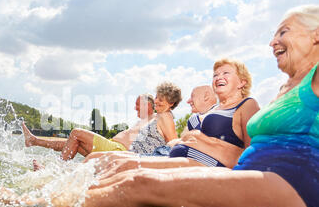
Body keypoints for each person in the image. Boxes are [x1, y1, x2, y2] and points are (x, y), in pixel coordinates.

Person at [0, 5, 319, 207]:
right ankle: (46, 193)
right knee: (123, 169)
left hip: (297, 187)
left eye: (284, 31)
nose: (273, 40)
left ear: (316, 35)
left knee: (138, 184)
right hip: (256, 177)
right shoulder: (288, 87)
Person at [88, 60, 259, 176]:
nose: (218, 77)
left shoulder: (247, 105)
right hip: (175, 156)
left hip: (201, 166)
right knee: (96, 159)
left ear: (242, 82)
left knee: (116, 165)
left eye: (225, 73)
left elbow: (251, 154)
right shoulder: (213, 110)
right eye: (215, 74)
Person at [21, 94, 156, 161]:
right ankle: (33, 141)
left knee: (76, 133)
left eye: (138, 105)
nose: (135, 108)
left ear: (148, 105)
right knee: (72, 143)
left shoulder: (156, 118)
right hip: (111, 146)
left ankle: (58, 169)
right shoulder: (143, 121)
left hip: (117, 150)